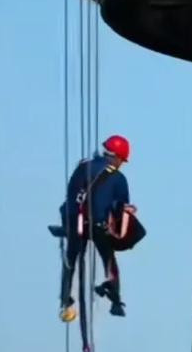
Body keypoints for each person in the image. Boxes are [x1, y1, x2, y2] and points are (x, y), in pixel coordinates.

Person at [51, 134, 146, 323]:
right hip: (99, 226)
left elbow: (71, 194)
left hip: (75, 222)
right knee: (108, 257)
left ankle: (65, 297)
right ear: (118, 157)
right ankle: (115, 301)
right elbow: (120, 208)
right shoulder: (118, 178)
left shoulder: (82, 167)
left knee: (71, 258)